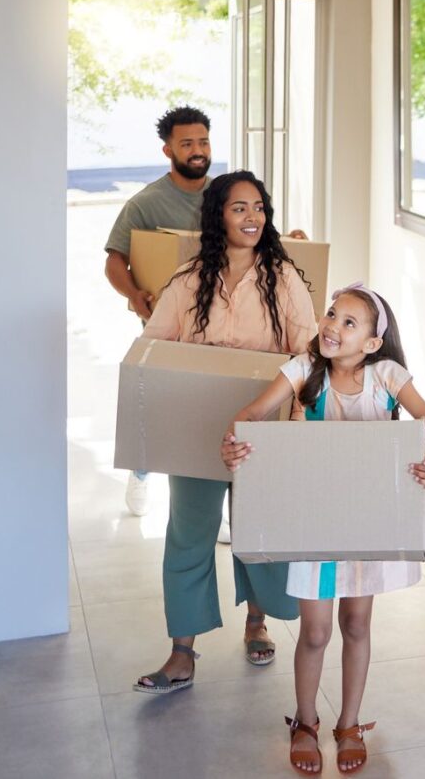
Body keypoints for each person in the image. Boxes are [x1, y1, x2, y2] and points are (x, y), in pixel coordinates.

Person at [221, 283, 425, 775]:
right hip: (314, 523)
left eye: (349, 322)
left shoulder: (386, 376)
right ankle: (304, 722)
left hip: (365, 526)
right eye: (331, 315)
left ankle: (349, 724)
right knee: (317, 632)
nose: (332, 326)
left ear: (371, 343)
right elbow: (253, 414)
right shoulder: (303, 371)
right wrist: (236, 438)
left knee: (357, 625)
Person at [133, 170, 316, 694]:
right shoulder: (190, 278)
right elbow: (155, 347)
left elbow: (307, 358)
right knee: (189, 534)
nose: (252, 217)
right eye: (239, 208)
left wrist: (296, 428)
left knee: (258, 531)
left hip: (264, 430)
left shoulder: (283, 279)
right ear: (218, 215)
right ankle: (181, 652)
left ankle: (257, 623)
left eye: (259, 207)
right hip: (197, 428)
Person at [104, 106, 214, 519]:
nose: (197, 150)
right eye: (187, 143)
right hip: (167, 326)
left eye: (202, 141)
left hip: (222, 326)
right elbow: (114, 260)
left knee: (213, 412)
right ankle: (142, 468)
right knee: (161, 408)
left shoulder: (226, 195)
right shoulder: (146, 204)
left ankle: (219, 506)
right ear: (168, 149)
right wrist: (134, 295)